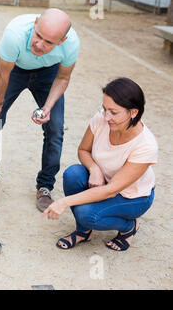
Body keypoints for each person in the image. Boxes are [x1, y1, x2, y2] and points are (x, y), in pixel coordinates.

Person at [0, 8, 80, 212]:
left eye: (48, 42)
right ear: (35, 24)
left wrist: (47, 107)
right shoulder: (15, 33)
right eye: (38, 36)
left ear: (61, 41)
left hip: (49, 73)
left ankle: (45, 186)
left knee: (55, 129)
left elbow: (63, 78)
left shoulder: (71, 44)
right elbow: (3, 72)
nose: (39, 44)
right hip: (15, 70)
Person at [42, 78, 157, 252]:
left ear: (133, 112)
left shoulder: (146, 145)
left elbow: (112, 190)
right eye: (104, 109)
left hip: (132, 197)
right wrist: (94, 168)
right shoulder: (101, 119)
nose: (106, 117)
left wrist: (64, 202)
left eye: (113, 112)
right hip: (104, 181)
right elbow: (83, 150)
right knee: (73, 174)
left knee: (86, 214)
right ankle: (83, 232)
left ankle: (128, 227)